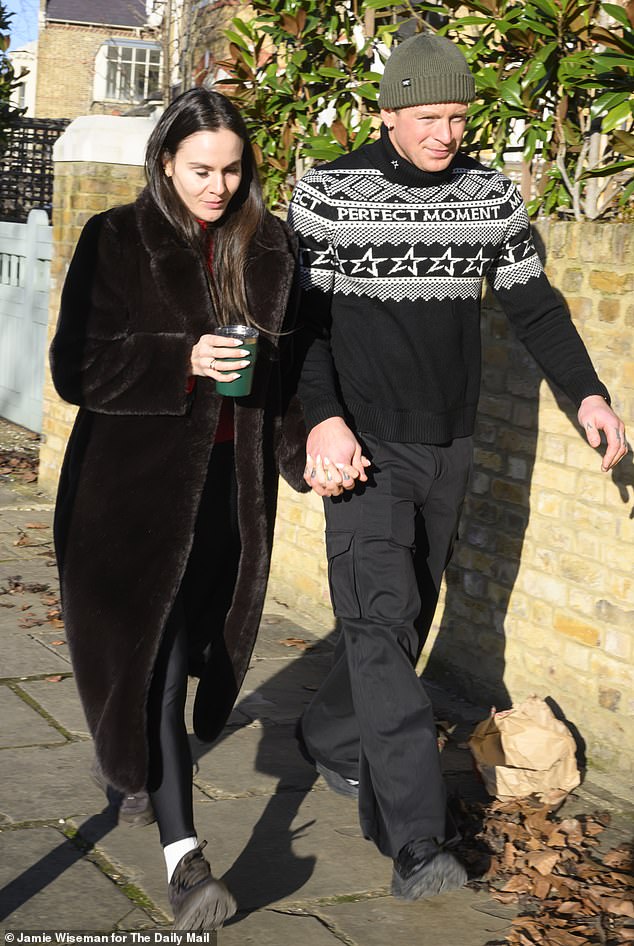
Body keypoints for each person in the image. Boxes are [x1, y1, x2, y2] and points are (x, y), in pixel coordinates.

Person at [287, 33, 627, 902]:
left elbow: (536, 307)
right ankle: (416, 839)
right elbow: (301, 329)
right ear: (388, 114)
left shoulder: (488, 196)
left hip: (451, 445)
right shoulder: (327, 194)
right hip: (361, 448)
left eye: (458, 118)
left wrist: (588, 396)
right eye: (428, 117)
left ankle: (328, 731)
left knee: (401, 619)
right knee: (382, 619)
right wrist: (323, 419)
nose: (445, 134)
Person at [51, 87, 305, 931]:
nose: (217, 186)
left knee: (191, 651)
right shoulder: (115, 238)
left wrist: (309, 450)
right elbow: (76, 368)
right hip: (129, 496)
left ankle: (129, 762)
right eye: (200, 169)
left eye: (231, 170)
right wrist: (182, 360)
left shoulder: (271, 247)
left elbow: (289, 375)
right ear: (165, 161)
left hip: (230, 497)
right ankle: (185, 862)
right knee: (153, 666)